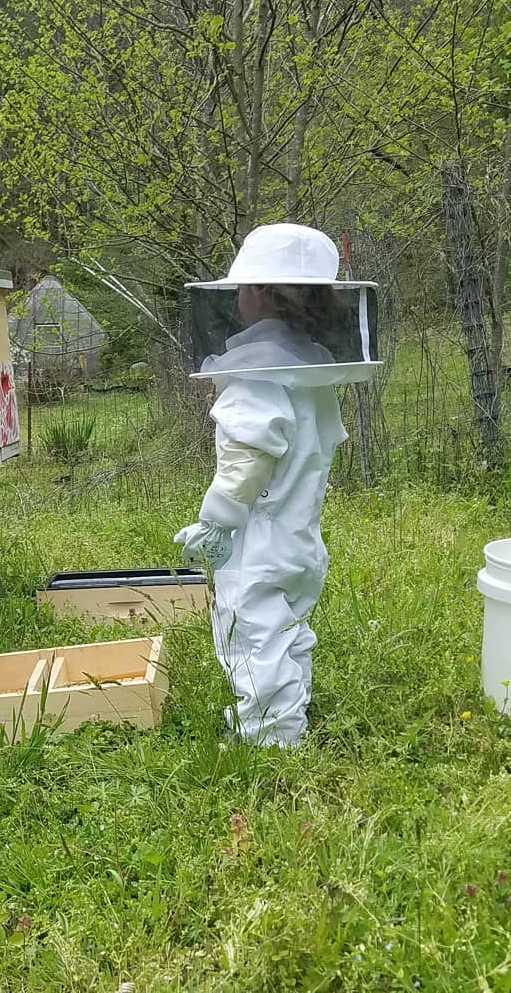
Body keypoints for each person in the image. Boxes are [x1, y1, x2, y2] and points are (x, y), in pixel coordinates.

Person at [175, 223, 380, 747]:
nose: (238, 295)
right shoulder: (311, 370)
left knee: (251, 634)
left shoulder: (257, 373)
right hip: (301, 539)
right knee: (289, 630)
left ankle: (271, 740)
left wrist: (217, 520)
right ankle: (291, 712)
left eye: (244, 286)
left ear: (262, 293)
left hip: (259, 541)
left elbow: (249, 453)